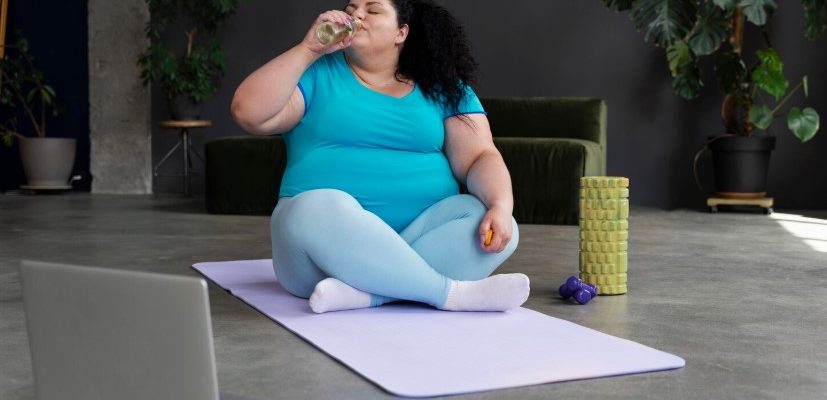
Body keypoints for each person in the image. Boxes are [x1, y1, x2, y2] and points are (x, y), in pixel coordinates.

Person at [231, 0, 529, 313]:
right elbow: (247, 112)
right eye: (351, 8)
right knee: (313, 207)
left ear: (401, 32)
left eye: (372, 10)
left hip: (418, 237)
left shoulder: (444, 88)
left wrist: (500, 205)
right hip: (315, 254)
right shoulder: (315, 74)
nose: (357, 15)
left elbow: (480, 157)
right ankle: (448, 294)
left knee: (496, 225)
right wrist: (309, 49)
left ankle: (366, 294)